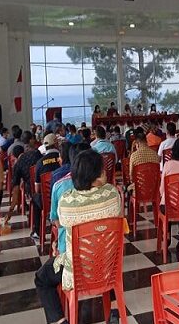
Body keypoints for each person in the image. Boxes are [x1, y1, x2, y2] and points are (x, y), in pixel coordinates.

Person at [35, 150, 123, 324]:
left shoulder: (67, 201)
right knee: (104, 248)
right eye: (102, 170)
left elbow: (59, 223)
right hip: (107, 266)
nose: (106, 172)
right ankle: (113, 309)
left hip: (78, 271)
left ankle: (60, 321)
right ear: (95, 176)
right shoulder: (113, 195)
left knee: (42, 278)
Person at [50, 142, 90, 256]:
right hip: (97, 251)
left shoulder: (59, 184)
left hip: (67, 248)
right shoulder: (106, 191)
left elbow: (56, 221)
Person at [7, 131, 42, 225]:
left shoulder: (19, 163)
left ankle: (36, 228)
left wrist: (11, 210)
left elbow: (16, 188)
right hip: (46, 189)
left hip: (31, 191)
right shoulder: (38, 154)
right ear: (31, 140)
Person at [32, 134, 61, 240]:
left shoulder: (40, 162)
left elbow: (37, 189)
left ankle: (37, 231)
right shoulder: (62, 158)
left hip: (47, 201)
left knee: (35, 197)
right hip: (63, 198)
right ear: (56, 144)